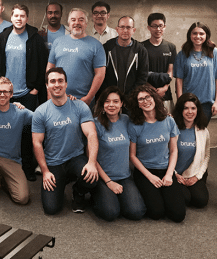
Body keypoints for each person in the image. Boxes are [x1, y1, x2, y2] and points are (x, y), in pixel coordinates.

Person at [32, 67, 99, 214]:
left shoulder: (80, 106)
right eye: (53, 81)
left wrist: (92, 162)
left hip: (75, 157)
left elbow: (91, 134)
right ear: (47, 86)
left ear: (66, 84)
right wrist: (45, 171)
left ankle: (78, 191)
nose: (57, 84)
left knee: (92, 178)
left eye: (60, 81)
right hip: (54, 162)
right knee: (51, 209)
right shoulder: (41, 112)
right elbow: (37, 143)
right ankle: (62, 180)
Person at [0, 4, 49, 180]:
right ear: (11, 17)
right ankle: (6, 167)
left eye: (22, 16)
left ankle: (27, 167)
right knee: (7, 131)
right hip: (6, 94)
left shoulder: (35, 37)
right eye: (16, 15)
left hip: (28, 92)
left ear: (27, 18)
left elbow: (43, 65)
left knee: (27, 132)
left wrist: (36, 88)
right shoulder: (3, 36)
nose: (19, 19)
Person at [126, 84, 185, 222]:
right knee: (156, 212)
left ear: (154, 98)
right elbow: (132, 156)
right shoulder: (134, 125)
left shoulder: (169, 121)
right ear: (138, 105)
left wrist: (170, 174)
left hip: (165, 169)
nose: (145, 101)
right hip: (145, 171)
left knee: (178, 216)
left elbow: (174, 150)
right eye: (141, 99)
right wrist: (150, 177)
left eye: (148, 97)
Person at [90, 87, 146, 221]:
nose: (111, 105)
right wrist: (109, 182)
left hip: (124, 176)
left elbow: (147, 120)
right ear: (102, 104)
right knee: (110, 213)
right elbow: (91, 158)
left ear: (122, 104)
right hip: (104, 177)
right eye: (107, 101)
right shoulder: (96, 124)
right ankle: (95, 195)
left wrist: (165, 116)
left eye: (115, 101)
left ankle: (116, 199)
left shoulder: (126, 120)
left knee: (137, 212)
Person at [46, 8, 106, 105]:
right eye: (73, 20)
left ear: (86, 23)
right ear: (68, 23)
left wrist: (89, 97)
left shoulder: (96, 45)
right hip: (58, 98)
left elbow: (100, 74)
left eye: (81, 20)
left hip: (82, 100)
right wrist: (49, 92)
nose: (76, 23)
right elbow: (50, 68)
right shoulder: (58, 42)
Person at [174, 22, 217, 119]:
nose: (198, 36)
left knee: (200, 131)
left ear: (206, 35)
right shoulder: (182, 54)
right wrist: (180, 102)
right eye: (194, 33)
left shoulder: (215, 52)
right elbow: (179, 80)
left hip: (207, 103)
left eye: (201, 33)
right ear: (190, 35)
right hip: (188, 103)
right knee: (187, 131)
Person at [172, 92, 210, 208]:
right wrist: (175, 175)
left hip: (193, 172)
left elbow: (206, 156)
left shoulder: (203, 130)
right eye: (186, 108)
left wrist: (197, 177)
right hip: (174, 173)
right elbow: (164, 155)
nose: (190, 112)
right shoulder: (172, 127)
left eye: (193, 108)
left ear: (197, 110)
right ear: (180, 110)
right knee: (185, 199)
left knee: (201, 201)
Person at [102, 16, 149, 96]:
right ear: (117, 29)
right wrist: (109, 94)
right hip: (109, 97)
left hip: (131, 98)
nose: (125, 30)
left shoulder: (140, 50)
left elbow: (142, 77)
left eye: (128, 27)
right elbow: (101, 74)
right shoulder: (107, 48)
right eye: (122, 27)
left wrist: (131, 96)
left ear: (133, 30)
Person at [142, 12, 176, 113]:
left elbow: (171, 72)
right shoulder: (141, 47)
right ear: (149, 28)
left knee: (166, 123)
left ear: (164, 27)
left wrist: (164, 88)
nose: (158, 29)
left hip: (165, 94)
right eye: (155, 26)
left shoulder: (171, 47)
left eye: (160, 26)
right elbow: (141, 73)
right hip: (146, 94)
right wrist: (152, 90)